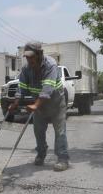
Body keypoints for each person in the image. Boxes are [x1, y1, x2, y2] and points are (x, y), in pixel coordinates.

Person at [9, 41, 69, 171]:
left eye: (32, 56)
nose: (29, 59)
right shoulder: (26, 69)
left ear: (39, 54)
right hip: (39, 104)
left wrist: (35, 105)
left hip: (56, 103)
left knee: (60, 132)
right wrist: (15, 103)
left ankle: (63, 158)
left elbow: (47, 89)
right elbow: (22, 88)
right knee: (38, 131)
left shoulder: (50, 65)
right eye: (27, 57)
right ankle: (41, 154)